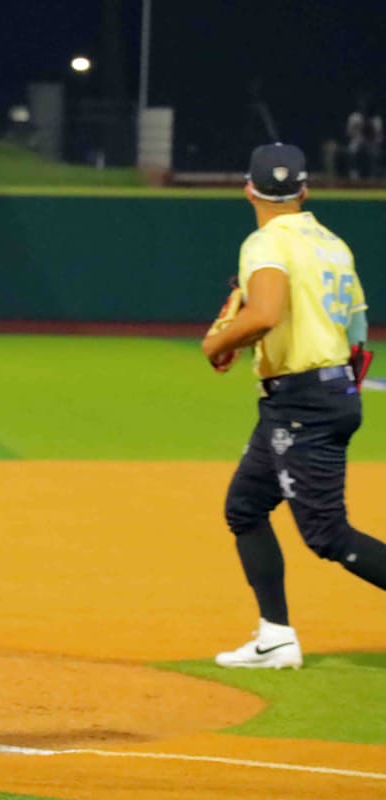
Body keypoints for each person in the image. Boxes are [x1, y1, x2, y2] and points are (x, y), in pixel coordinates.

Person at [202, 142, 386, 669]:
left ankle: (276, 636)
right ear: (305, 190)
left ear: (247, 188)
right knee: (245, 507)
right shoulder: (332, 244)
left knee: (328, 535)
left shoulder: (265, 242)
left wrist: (218, 344)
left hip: (303, 399)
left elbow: (263, 312)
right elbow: (357, 332)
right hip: (317, 394)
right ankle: (275, 636)